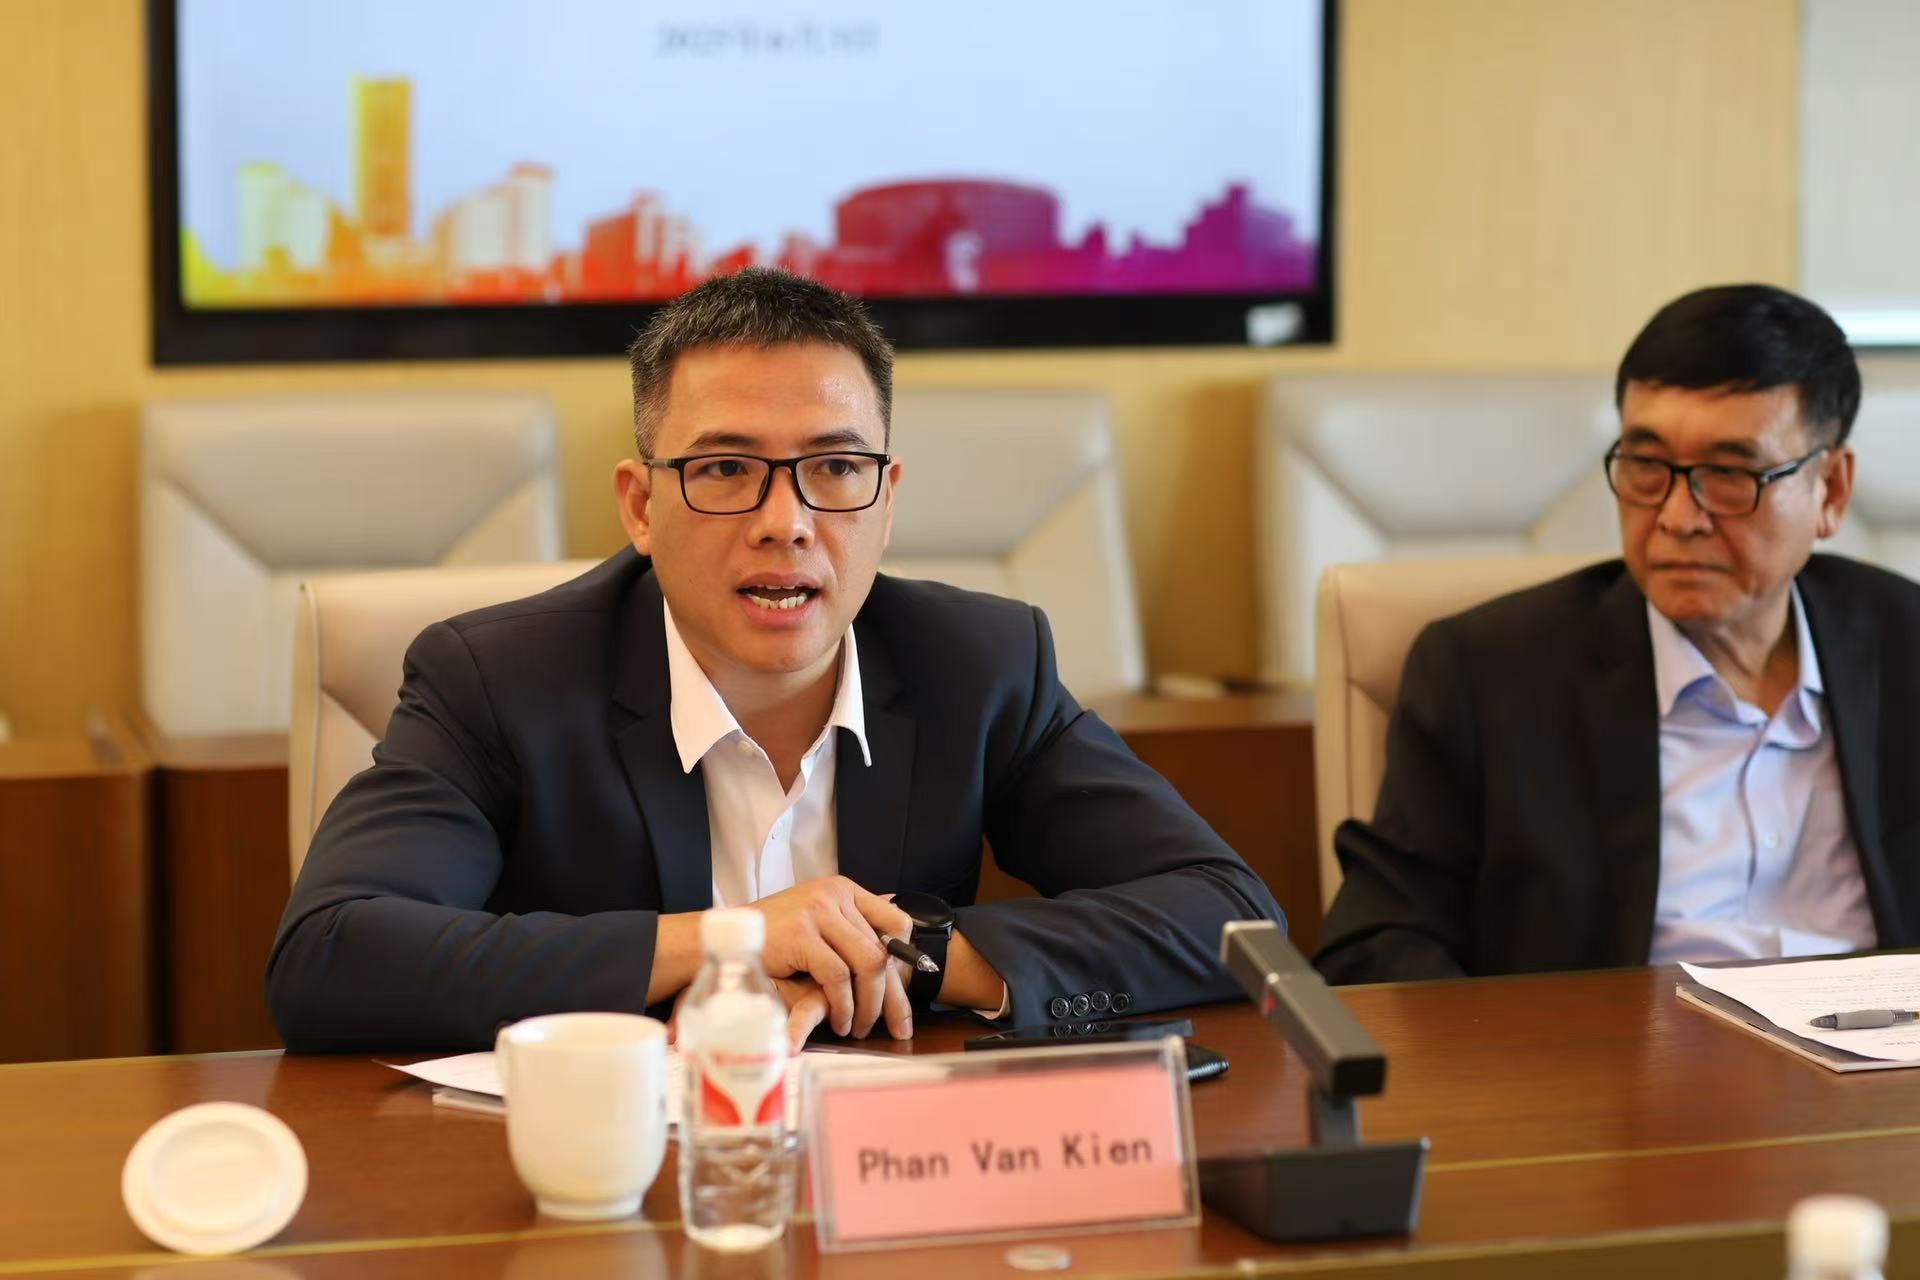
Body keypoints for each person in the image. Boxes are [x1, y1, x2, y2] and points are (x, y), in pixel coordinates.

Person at [267, 268, 1283, 1050]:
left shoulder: (979, 664)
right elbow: (330, 957)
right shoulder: (497, 681)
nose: (785, 522)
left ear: (887, 501)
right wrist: (734, 943)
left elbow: (1233, 916)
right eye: (725, 468)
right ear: (640, 506)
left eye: (835, 467)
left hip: (887, 1180)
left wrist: (918, 956)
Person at [1315, 283, 1920, 984]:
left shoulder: (1906, 647)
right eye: (1647, 467)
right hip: (1618, 1049)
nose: (1677, 518)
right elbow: (1375, 945)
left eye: (1730, 474)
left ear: (1831, 490)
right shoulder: (1489, 676)